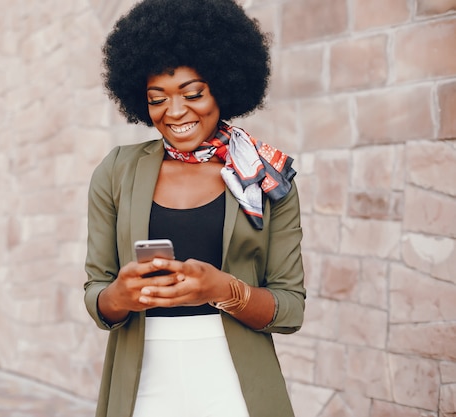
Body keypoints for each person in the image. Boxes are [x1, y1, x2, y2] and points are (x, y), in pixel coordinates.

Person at [83, 0, 306, 416]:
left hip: (235, 383)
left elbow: (290, 308)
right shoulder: (116, 171)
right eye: (157, 99)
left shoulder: (265, 177)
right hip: (144, 379)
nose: (175, 112)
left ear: (223, 85)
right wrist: (122, 293)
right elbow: (97, 296)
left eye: (193, 93)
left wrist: (221, 289)